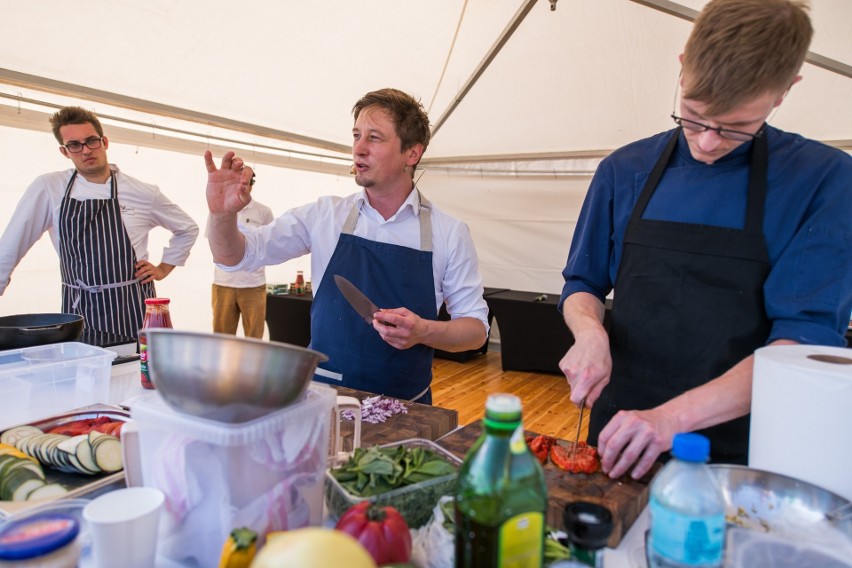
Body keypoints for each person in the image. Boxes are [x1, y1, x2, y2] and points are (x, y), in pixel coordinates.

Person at [558, 0, 852, 480]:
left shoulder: (823, 181)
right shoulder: (624, 169)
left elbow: (801, 345)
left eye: (736, 127)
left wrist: (671, 420)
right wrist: (590, 333)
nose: (708, 142)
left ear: (784, 92)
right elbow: (582, 285)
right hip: (621, 435)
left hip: (746, 453)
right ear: (681, 69)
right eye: (692, 116)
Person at [205, 88, 489, 404]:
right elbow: (236, 257)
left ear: (412, 153)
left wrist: (423, 332)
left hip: (407, 410)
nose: (359, 149)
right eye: (356, 136)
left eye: (375, 138)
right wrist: (221, 215)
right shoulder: (324, 215)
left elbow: (476, 329)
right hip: (325, 402)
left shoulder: (449, 233)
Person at [0, 106, 199, 339]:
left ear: (104, 142)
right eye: (75, 145)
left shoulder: (143, 193)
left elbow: (187, 228)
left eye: (91, 141)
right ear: (65, 152)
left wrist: (164, 267)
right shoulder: (49, 188)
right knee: (87, 370)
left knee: (139, 368)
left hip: (132, 304)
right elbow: (11, 246)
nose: (85, 150)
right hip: (79, 309)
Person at [206, 185, 274, 339]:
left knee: (254, 338)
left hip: (253, 285)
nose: (240, 186)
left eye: (245, 182)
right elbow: (212, 240)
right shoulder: (217, 209)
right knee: (221, 338)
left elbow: (270, 243)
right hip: (223, 284)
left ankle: (253, 364)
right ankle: (223, 365)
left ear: (251, 184)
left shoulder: (263, 211)